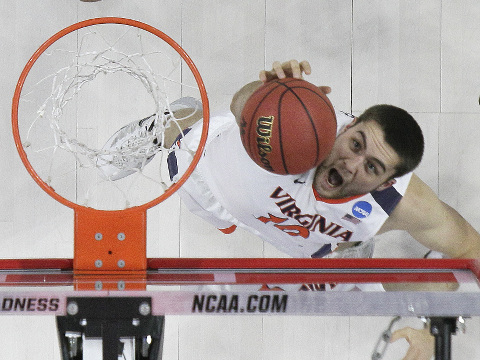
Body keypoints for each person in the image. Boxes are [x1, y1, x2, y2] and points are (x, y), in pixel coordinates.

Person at [103, 60, 480, 360]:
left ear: (385, 185)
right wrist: (267, 93)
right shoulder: (298, 123)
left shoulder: (402, 203)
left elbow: (472, 250)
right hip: (218, 178)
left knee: (376, 279)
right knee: (187, 164)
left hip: (308, 238)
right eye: (355, 143)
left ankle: (352, 249)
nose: (351, 164)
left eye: (371, 167)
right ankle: (169, 124)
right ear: (349, 124)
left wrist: (438, 328)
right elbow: (242, 103)